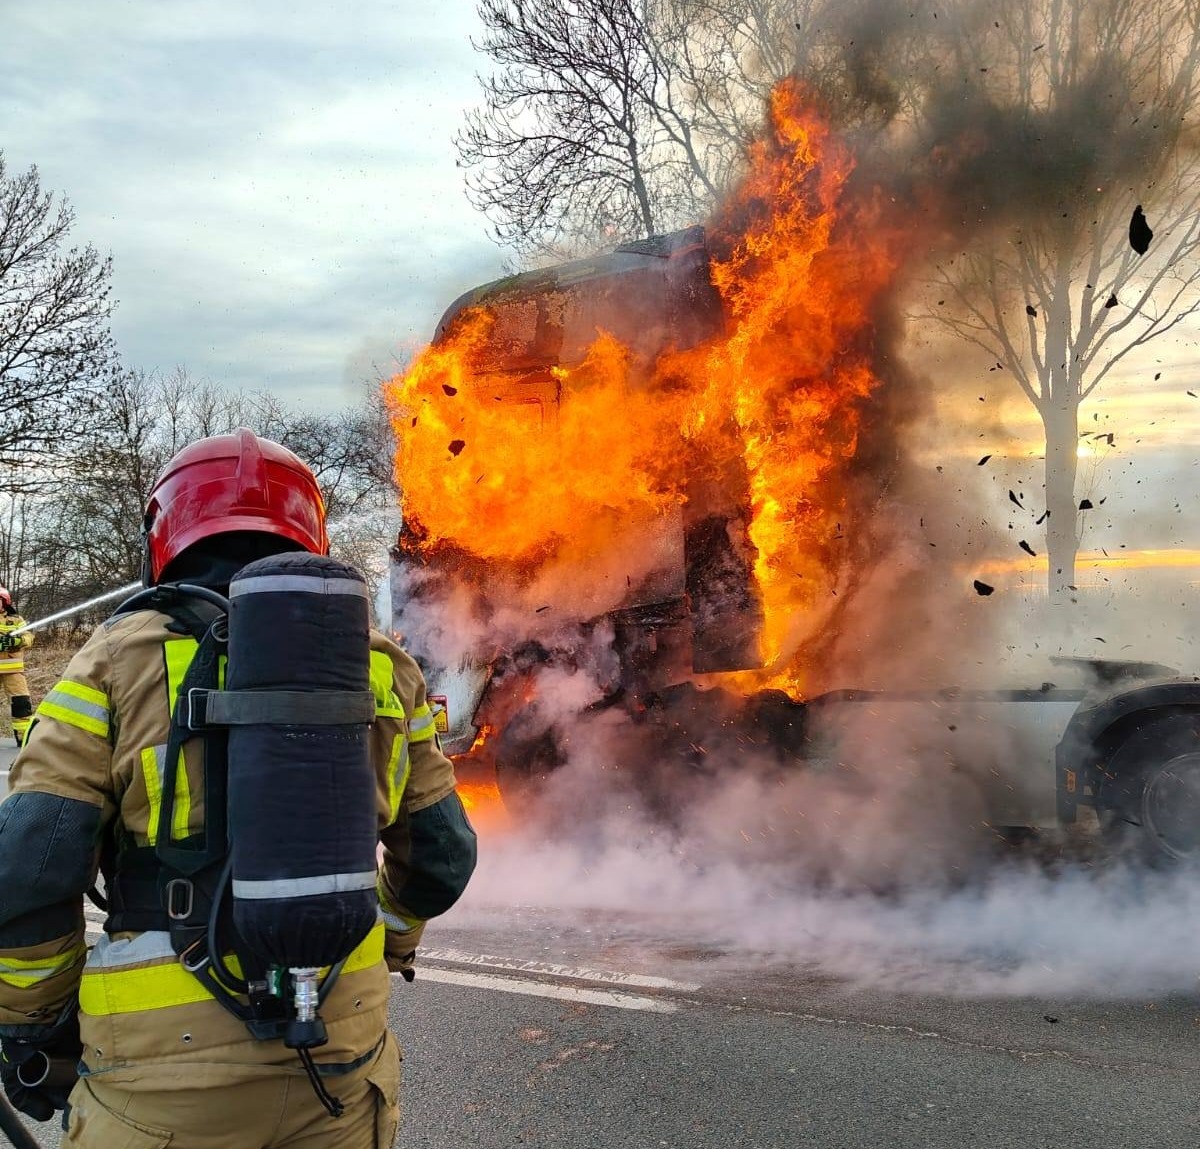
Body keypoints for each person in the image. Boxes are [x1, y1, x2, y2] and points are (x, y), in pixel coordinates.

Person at [0, 429, 478, 1147]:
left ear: (164, 536)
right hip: (340, 1064)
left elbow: (32, 864)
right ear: (308, 533)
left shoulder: (112, 660)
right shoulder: (381, 667)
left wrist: (34, 1031)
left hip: (160, 1086)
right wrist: (382, 941)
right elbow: (442, 854)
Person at [0, 588, 34, 747]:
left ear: (4, 602)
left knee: (21, 702)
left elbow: (29, 636)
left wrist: (17, 641)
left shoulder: (16, 619)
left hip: (13, 671)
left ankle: (24, 736)